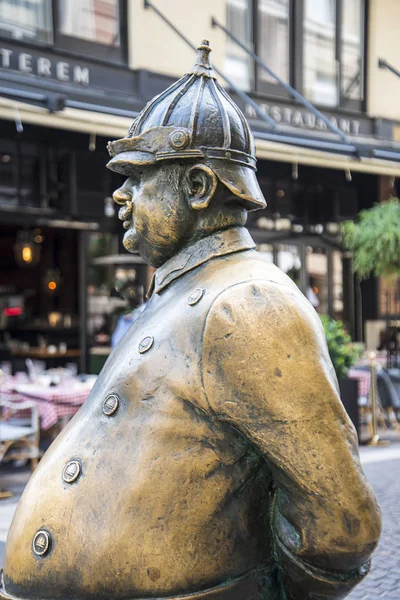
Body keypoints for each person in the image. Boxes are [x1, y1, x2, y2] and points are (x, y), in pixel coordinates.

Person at [1, 41, 380, 600]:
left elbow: (343, 525)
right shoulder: (181, 290)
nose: (120, 195)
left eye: (138, 178)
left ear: (198, 188)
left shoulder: (247, 302)